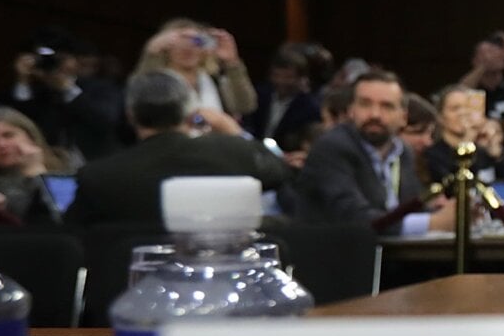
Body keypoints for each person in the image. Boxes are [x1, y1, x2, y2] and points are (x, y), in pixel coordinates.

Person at [63, 72, 290, 228]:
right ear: (189, 112)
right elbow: (280, 171)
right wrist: (235, 132)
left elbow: (74, 230)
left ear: (130, 114)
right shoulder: (235, 152)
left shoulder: (98, 176)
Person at [293, 70, 456, 234]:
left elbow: (403, 213)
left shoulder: (403, 151)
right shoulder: (331, 148)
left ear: (403, 117)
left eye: (386, 106)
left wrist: (449, 214)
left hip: (389, 254)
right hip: (333, 254)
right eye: (365, 104)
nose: (375, 114)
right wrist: (433, 222)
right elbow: (354, 219)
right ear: (351, 110)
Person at [1, 29, 125, 165]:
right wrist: (23, 81)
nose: (54, 64)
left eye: (60, 59)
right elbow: (17, 123)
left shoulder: (100, 88)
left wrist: (67, 89)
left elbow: (106, 120)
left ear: (75, 61)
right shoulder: (35, 93)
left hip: (96, 164)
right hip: (48, 164)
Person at [0, 107, 67, 225]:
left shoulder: (67, 163)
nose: (1, 145)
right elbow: (27, 220)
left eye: (8, 135)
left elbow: (67, 212)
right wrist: (34, 171)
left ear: (30, 137)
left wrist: (38, 171)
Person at [135, 18, 255, 118]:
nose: (189, 48)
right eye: (181, 41)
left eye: (197, 41)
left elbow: (245, 106)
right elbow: (137, 101)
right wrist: (151, 54)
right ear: (165, 46)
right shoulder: (156, 80)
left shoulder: (214, 80)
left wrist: (232, 63)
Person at [244, 43, 322, 152]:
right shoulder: (259, 95)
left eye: (288, 77)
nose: (281, 81)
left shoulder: (310, 107)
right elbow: (249, 124)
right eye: (277, 76)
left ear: (300, 79)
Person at [425, 84, 504, 185]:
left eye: (467, 107)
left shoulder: (481, 152)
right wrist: (466, 142)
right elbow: (453, 185)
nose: (463, 113)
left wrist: (496, 153)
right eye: (455, 109)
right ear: (441, 117)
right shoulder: (433, 155)